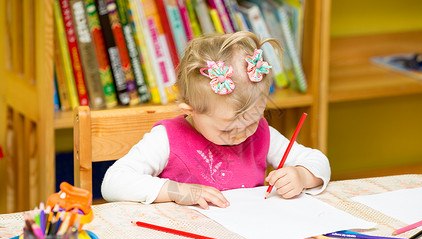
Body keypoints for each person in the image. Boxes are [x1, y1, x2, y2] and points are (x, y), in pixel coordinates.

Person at [101, 31, 330, 209]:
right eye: (228, 128)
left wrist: (301, 175)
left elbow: (318, 160)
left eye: (251, 121)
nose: (241, 134)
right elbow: (113, 182)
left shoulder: (261, 133)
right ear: (191, 110)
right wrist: (176, 191)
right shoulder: (167, 138)